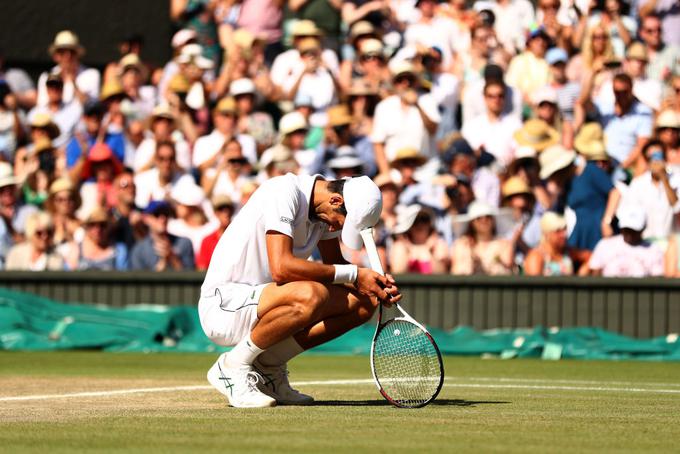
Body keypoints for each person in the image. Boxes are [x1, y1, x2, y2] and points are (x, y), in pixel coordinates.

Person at [199, 175, 400, 407]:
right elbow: (281, 269)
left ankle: (268, 368)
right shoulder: (284, 191)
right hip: (224, 307)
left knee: (365, 301)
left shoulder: (325, 210)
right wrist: (356, 275)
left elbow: (335, 263)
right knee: (312, 294)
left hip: (266, 302)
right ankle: (232, 366)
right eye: (338, 221)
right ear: (335, 200)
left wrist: (375, 284)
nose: (334, 227)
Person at [583, 204, 664, 276]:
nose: (629, 234)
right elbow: (595, 274)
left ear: (642, 229)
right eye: (626, 229)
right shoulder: (604, 245)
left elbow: (657, 279)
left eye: (633, 230)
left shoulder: (654, 250)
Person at [450, 200, 514, 275]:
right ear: (472, 222)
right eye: (479, 218)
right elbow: (457, 271)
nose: (484, 220)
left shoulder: (504, 244)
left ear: (493, 220)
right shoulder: (461, 244)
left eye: (488, 217)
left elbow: (507, 268)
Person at [130, 200, 195, 271]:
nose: (163, 219)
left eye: (166, 214)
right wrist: (163, 262)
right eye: (157, 214)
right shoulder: (139, 250)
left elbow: (191, 278)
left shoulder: (184, 242)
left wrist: (172, 258)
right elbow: (139, 280)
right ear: (146, 219)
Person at [389, 204, 450, 274]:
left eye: (424, 219)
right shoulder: (399, 246)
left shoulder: (439, 244)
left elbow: (441, 273)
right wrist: (412, 249)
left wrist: (426, 251)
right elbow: (398, 272)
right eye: (415, 221)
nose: (420, 224)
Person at [524, 211, 574, 276]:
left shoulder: (567, 253)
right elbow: (534, 284)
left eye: (564, 229)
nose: (564, 234)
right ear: (547, 234)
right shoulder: (536, 256)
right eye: (558, 231)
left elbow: (589, 259)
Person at [196, 194, 235, 271]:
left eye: (228, 208)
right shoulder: (207, 241)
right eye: (221, 209)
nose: (226, 212)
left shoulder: (241, 237)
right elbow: (201, 268)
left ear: (232, 211)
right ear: (215, 213)